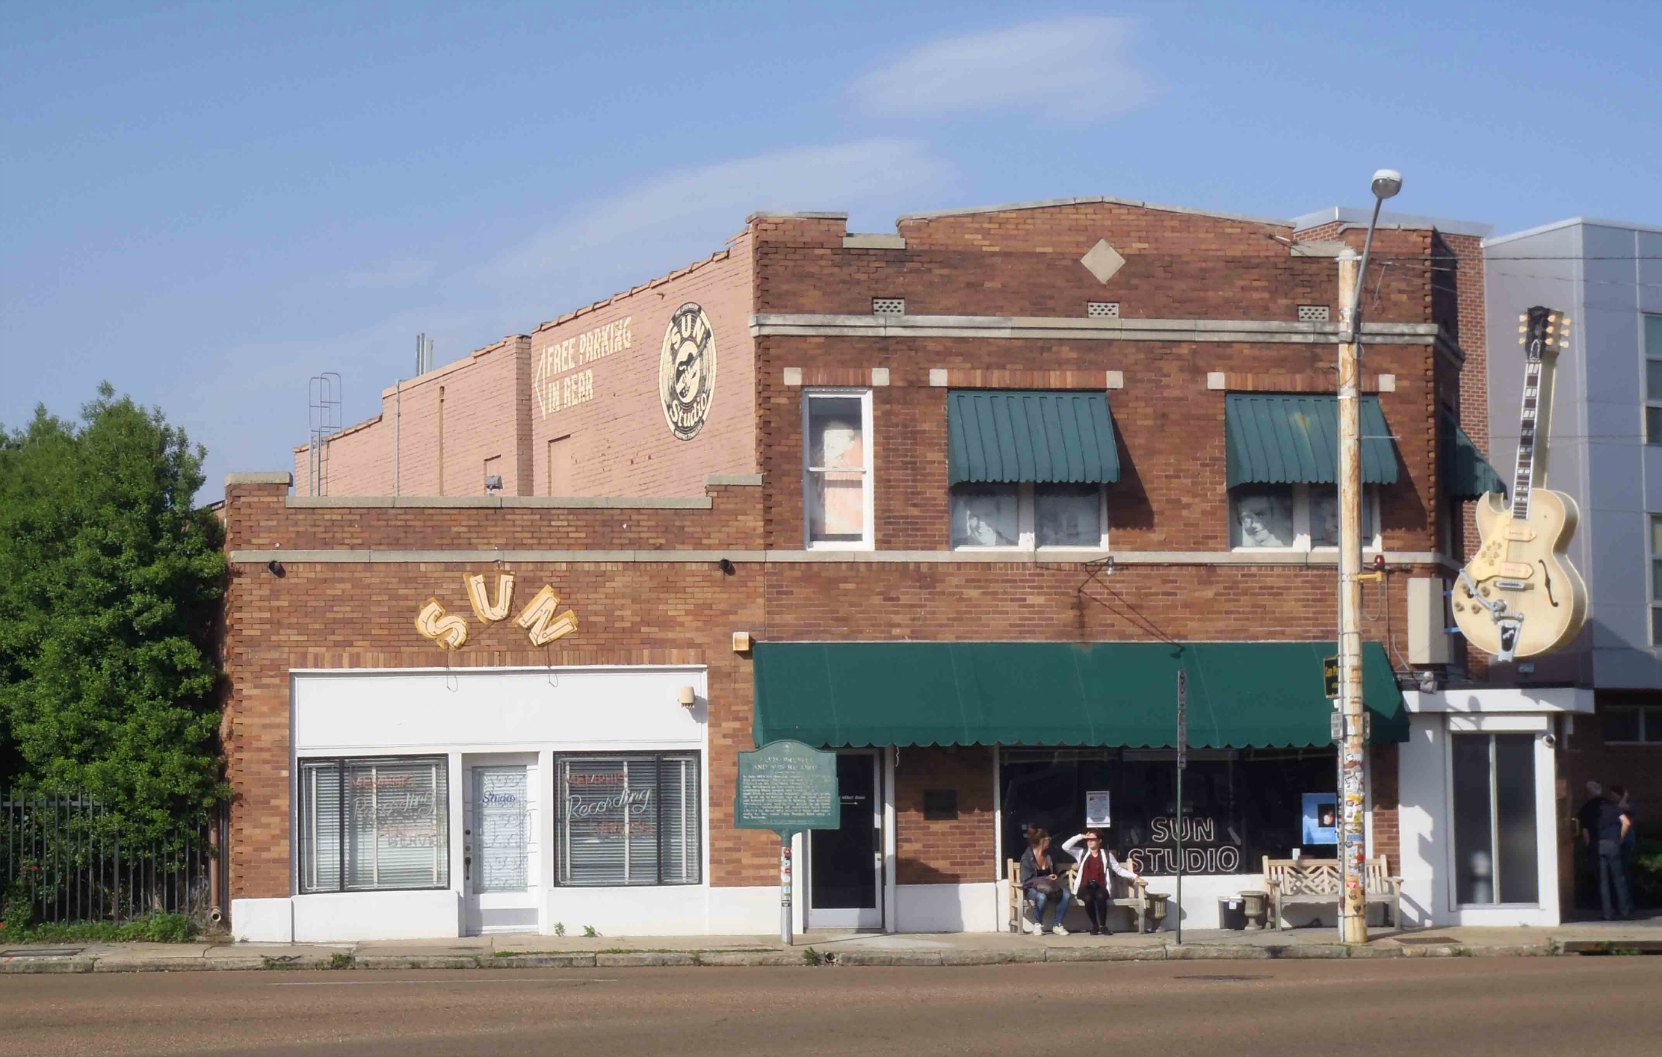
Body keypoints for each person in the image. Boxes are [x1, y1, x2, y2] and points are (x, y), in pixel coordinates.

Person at [1062, 829, 1140, 936]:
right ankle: (1095, 925)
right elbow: (1065, 846)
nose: (1089, 842)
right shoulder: (1082, 853)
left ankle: (1103, 926)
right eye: (1088, 840)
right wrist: (1080, 836)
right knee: (1088, 898)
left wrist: (1135, 876)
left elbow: (1119, 870)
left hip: (1100, 886)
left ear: (1099, 841)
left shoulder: (1106, 855)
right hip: (1084, 886)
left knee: (1100, 896)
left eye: (1093, 839)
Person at [1586, 786, 1635, 920]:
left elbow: (1585, 831)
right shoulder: (1613, 807)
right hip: (1613, 844)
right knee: (1619, 879)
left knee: (1603, 881)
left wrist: (1589, 845)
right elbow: (1626, 823)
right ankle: (1625, 911)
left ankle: (1607, 913)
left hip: (1598, 844)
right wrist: (1620, 838)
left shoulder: (1591, 809)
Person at [1019, 828, 1071, 936]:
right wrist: (1045, 878)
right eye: (1048, 840)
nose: (1050, 842)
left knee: (1065, 894)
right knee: (1041, 897)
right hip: (1031, 889)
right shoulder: (1027, 858)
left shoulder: (1048, 856)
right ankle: (1037, 924)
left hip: (1049, 887)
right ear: (1042, 841)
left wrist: (1054, 876)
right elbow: (1026, 880)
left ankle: (1058, 924)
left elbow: (1054, 872)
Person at [1611, 784, 1638, 908]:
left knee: (1625, 871)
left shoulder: (1629, 804)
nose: (1612, 797)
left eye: (1613, 794)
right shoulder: (1615, 805)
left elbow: (1622, 807)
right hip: (1620, 840)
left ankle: (1629, 903)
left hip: (1626, 840)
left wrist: (1625, 796)